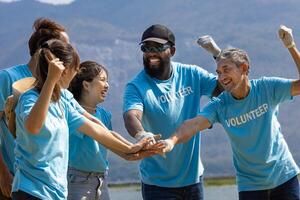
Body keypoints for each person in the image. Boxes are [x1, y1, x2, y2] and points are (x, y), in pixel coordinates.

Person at [158, 25, 300, 200]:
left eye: (226, 70)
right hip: (251, 185)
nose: (221, 77)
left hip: (284, 176)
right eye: (218, 72)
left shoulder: (267, 88)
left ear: (244, 69)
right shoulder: (220, 104)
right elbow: (193, 124)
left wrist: (291, 47)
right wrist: (171, 141)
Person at [12, 39, 159, 200]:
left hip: (55, 193)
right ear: (63, 70)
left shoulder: (64, 100)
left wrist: (130, 149)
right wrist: (50, 81)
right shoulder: (30, 99)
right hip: (31, 191)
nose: (76, 73)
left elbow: (97, 128)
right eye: (74, 68)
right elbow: (33, 127)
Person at [123, 24, 221, 200]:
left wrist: (219, 56)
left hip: (193, 181)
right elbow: (131, 115)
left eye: (158, 47)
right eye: (146, 48)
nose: (151, 53)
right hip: (157, 185)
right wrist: (141, 134)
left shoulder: (192, 74)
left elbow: (225, 90)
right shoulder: (136, 86)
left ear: (172, 50)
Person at [0, 17, 69, 199]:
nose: (68, 54)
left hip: (46, 187)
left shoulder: (54, 86)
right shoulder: (7, 78)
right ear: (46, 52)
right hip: (15, 182)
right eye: (63, 49)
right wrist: (3, 173)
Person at [68, 61, 155, 200]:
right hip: (76, 182)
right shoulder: (71, 112)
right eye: (102, 80)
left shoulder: (104, 114)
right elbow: (101, 134)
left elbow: (111, 141)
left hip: (101, 181)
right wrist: (132, 148)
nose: (107, 85)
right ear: (86, 85)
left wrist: (140, 151)